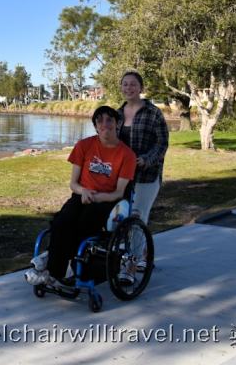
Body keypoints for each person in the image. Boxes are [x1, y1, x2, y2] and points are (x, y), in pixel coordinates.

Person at [27, 106, 136, 288]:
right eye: (99, 121)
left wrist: (98, 197)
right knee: (62, 222)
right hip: (82, 195)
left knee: (84, 225)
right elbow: (73, 184)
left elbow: (119, 192)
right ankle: (54, 270)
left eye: (109, 120)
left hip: (108, 200)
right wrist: (84, 191)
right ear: (95, 126)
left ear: (117, 123)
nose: (105, 124)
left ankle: (52, 261)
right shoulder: (84, 146)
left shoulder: (127, 155)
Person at [117, 71, 169, 224]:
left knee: (137, 217)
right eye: (125, 84)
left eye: (133, 84)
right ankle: (127, 247)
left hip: (146, 176)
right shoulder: (117, 114)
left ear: (141, 88)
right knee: (119, 218)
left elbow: (162, 143)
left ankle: (136, 249)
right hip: (121, 176)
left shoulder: (153, 113)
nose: (129, 88)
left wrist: (146, 160)